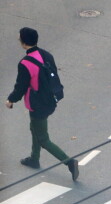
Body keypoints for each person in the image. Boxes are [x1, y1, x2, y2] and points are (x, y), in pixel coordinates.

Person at [4, 27, 78, 181]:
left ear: (24, 43)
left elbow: (21, 87)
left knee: (43, 138)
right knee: (35, 128)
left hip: (37, 104)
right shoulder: (46, 55)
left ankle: (69, 162)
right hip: (51, 99)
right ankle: (34, 158)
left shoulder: (25, 63)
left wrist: (11, 100)